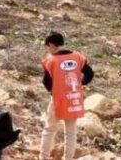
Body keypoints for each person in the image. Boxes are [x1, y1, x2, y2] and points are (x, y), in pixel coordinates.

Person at [39, 31, 94, 160]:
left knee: (49, 130)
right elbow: (89, 73)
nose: (47, 50)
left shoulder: (50, 60)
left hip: (57, 99)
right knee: (70, 133)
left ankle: (43, 157)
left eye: (47, 47)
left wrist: (52, 92)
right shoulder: (78, 57)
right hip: (73, 98)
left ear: (51, 45)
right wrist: (81, 83)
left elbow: (46, 81)